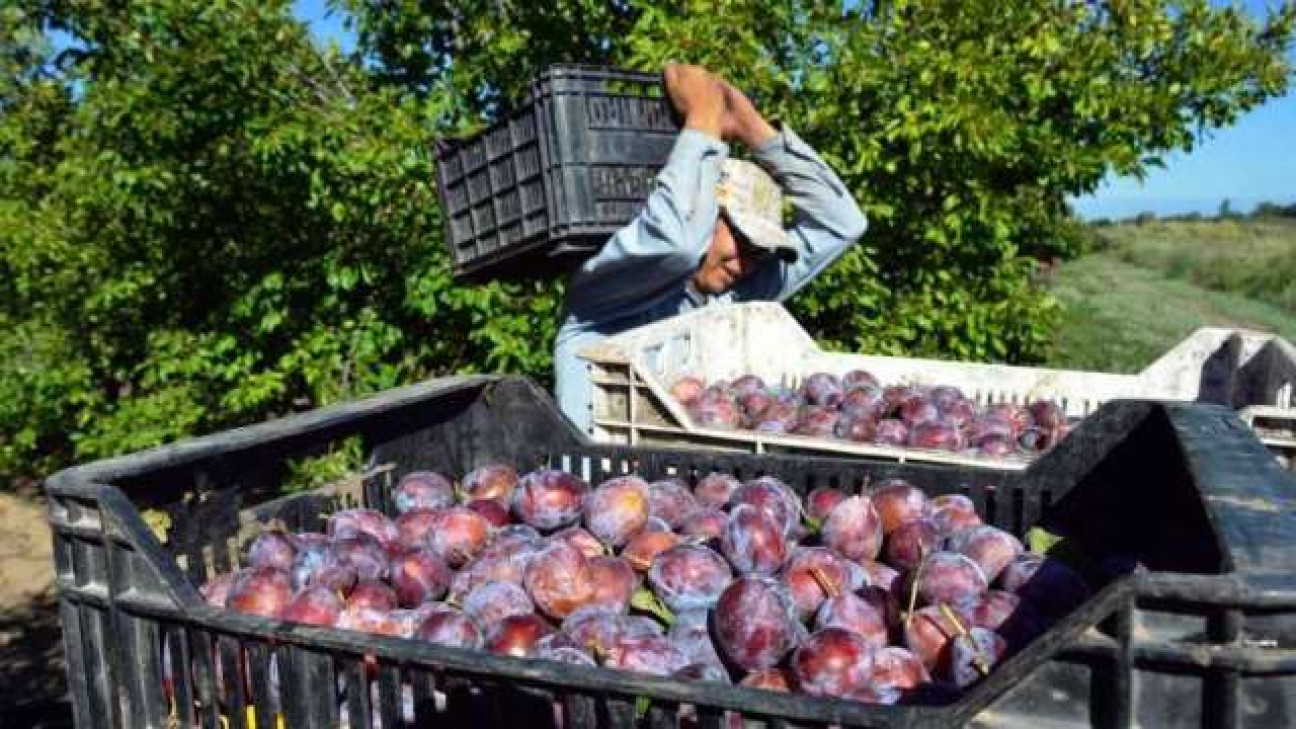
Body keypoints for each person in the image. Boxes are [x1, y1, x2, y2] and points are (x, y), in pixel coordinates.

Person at [553, 64, 868, 433]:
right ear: (707, 217)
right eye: (742, 240)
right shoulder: (615, 290)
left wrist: (756, 131)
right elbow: (680, 242)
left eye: (760, 252)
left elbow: (844, 224)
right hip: (596, 482)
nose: (747, 263)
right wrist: (704, 118)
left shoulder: (735, 299)